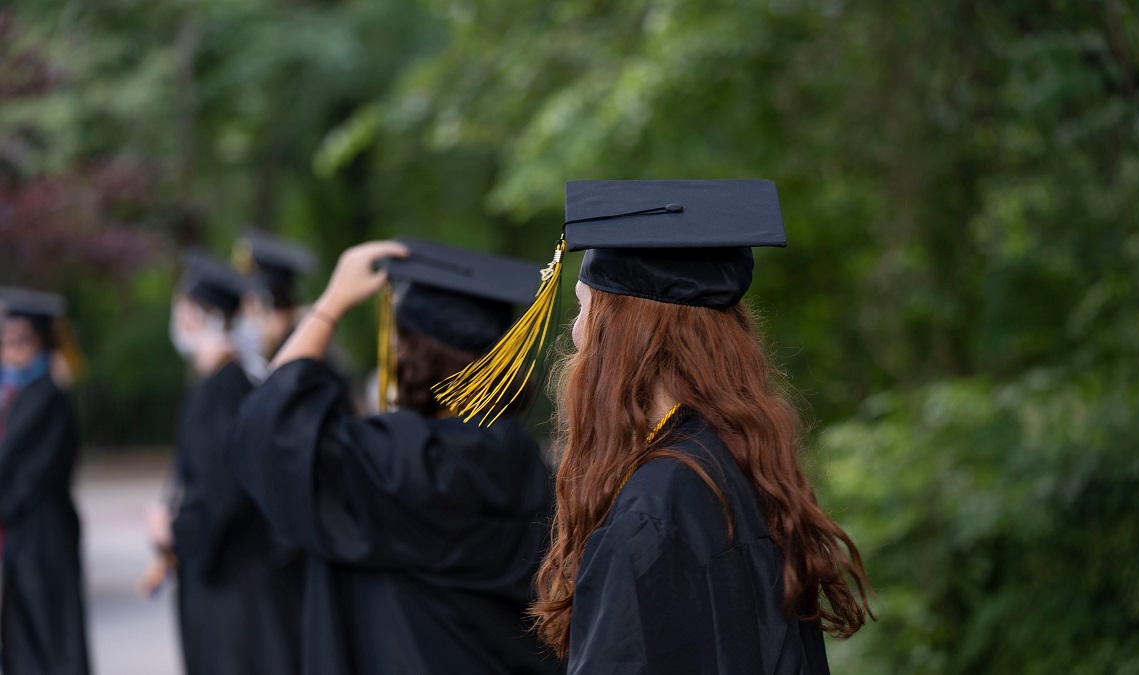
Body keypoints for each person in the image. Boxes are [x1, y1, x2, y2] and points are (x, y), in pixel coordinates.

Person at [437, 180, 874, 674]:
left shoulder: (650, 515)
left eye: (584, 307)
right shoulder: (745, 468)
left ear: (627, 333)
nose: (576, 331)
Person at [229, 238, 562, 675]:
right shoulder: (525, 462)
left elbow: (268, 426)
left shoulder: (400, 459)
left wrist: (330, 304)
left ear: (409, 355)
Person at [167, 253, 303, 675]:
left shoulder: (221, 389)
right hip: (244, 575)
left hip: (233, 581)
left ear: (192, 317)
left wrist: (174, 529)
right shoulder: (233, 382)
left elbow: (220, 489)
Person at [0, 287, 91, 675]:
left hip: (43, 532)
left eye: (20, 341)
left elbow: (32, 473)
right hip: (19, 533)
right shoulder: (16, 395)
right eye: (4, 340)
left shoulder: (48, 397)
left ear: (41, 342)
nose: (10, 350)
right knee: (21, 640)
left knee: (53, 639)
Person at [231, 230, 317, 379]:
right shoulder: (299, 344)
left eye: (254, 306)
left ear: (273, 308)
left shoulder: (295, 354)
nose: (250, 314)